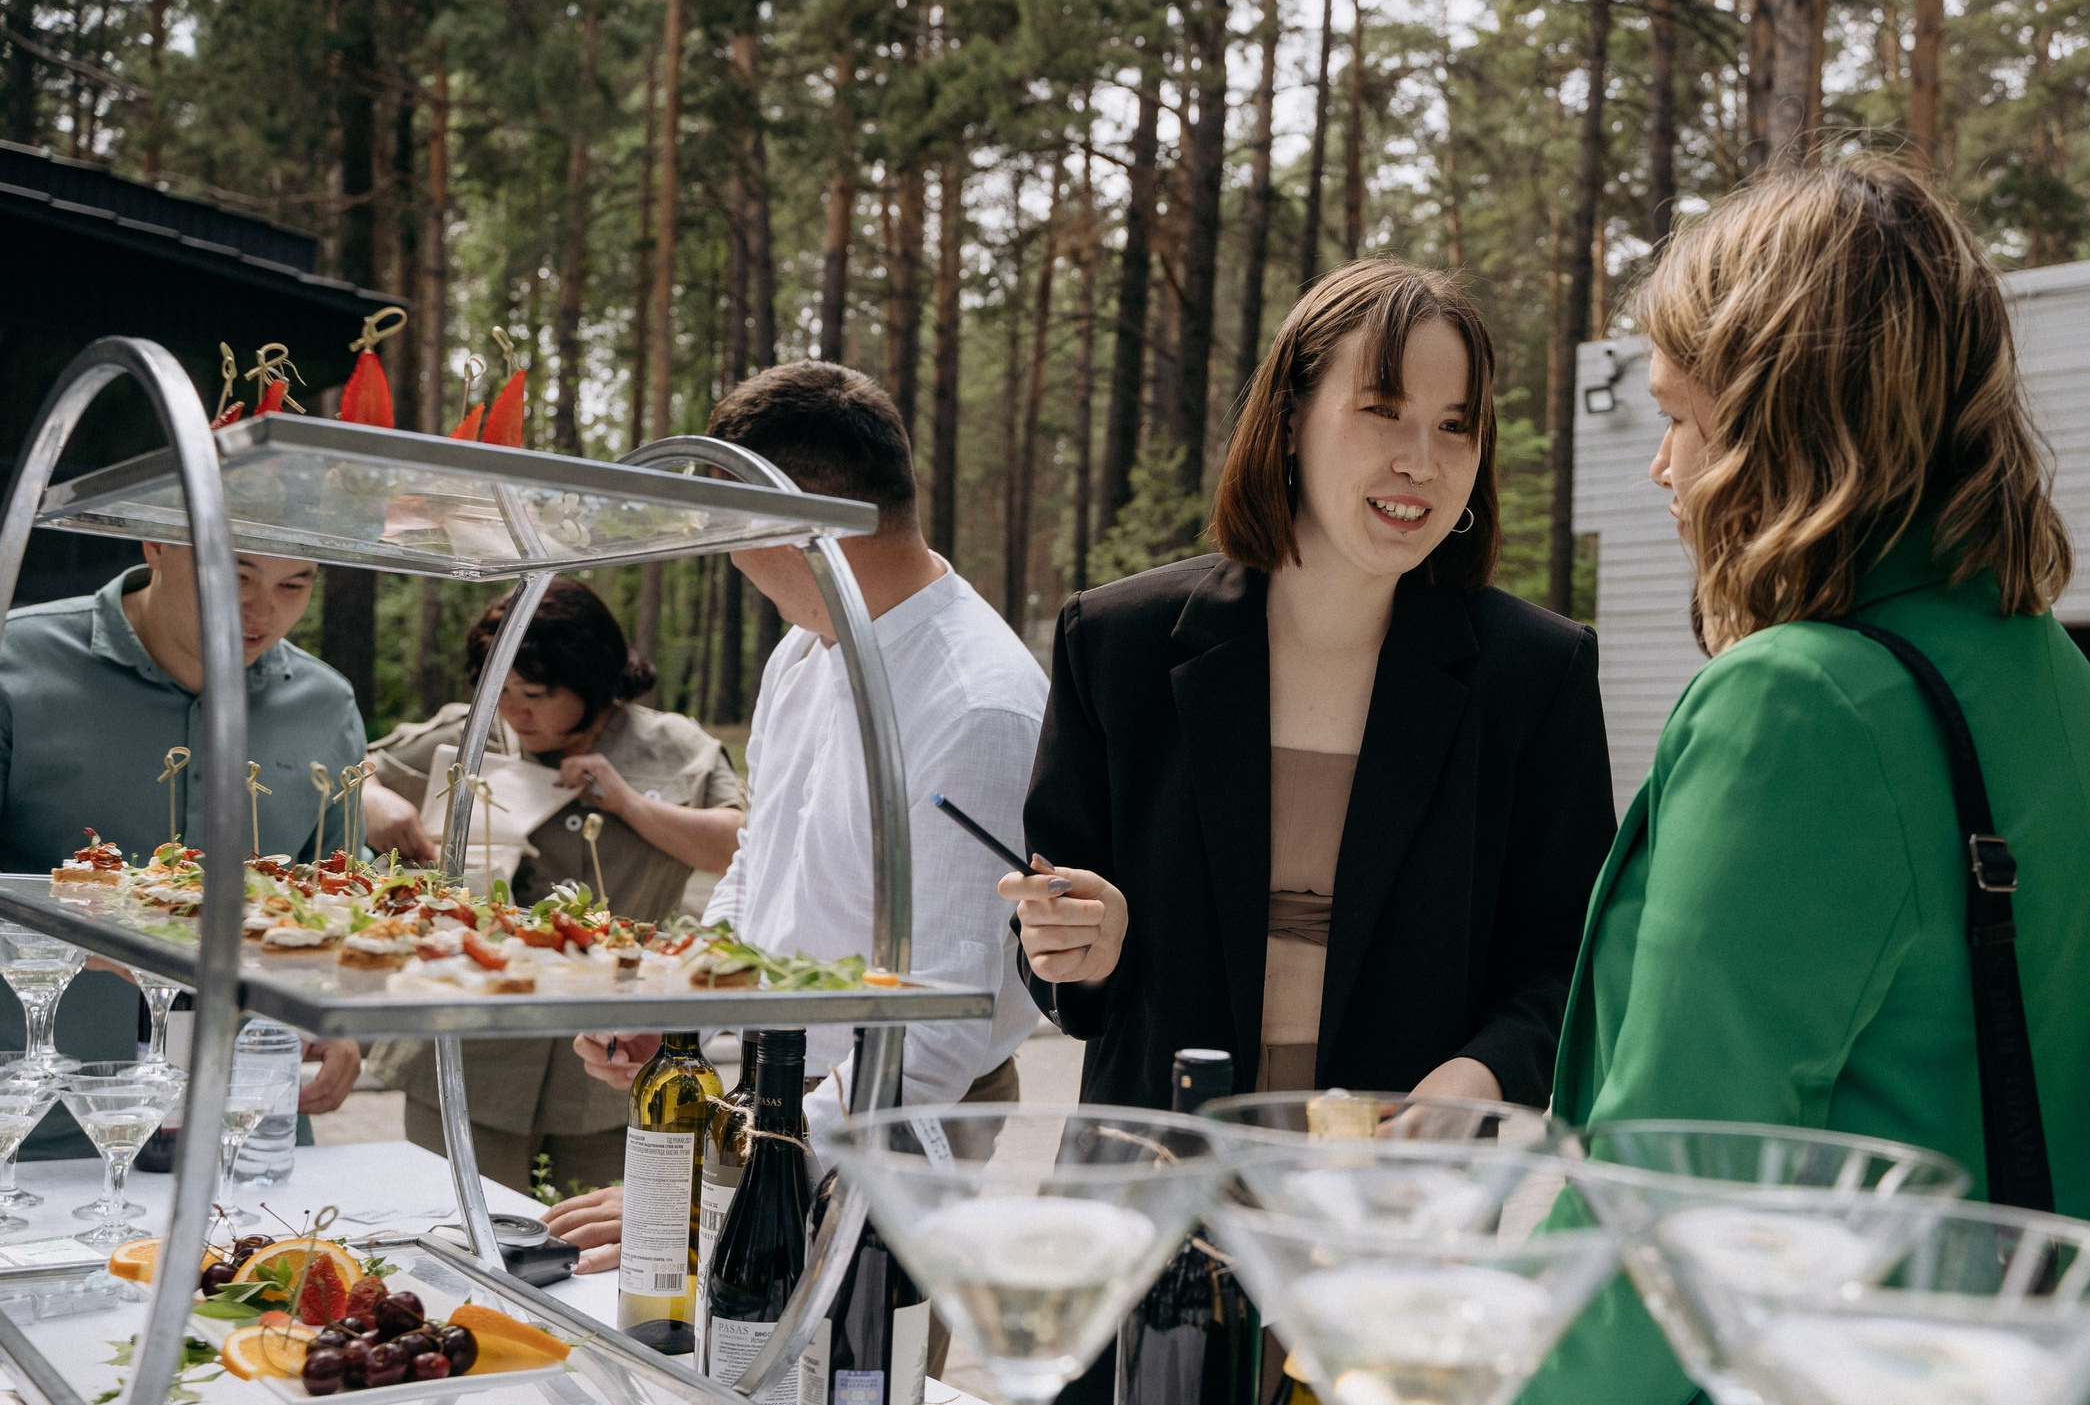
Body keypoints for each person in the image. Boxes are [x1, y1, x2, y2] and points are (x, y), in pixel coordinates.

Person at [1448, 161, 2090, 1405]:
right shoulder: (2049, 678)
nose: (1661, 469)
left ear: (1784, 425)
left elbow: (1685, 1168)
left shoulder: (1799, 707)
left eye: (1680, 417)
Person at [1004, 260, 1616, 1112]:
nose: (1421, 462)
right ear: (1290, 418)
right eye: (1383, 410)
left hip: (1393, 1182)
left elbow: (1572, 964)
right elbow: (1051, 941)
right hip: (1154, 1173)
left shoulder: (1537, 675)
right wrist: (1083, 948)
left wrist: (1479, 1076)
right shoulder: (1116, 645)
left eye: (1455, 426)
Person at [544, 360, 1049, 1268]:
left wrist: (725, 1179)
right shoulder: (803, 654)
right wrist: (681, 1010)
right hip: (776, 1087)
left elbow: (932, 1040)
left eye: (735, 529)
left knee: (843, 1362)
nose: (732, 558)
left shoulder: (977, 705)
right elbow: (760, 866)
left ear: (804, 525)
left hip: (891, 1126)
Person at [364, 577, 746, 1193]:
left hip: (615, 1059)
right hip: (471, 1055)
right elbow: (352, 769)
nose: (516, 711)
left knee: (601, 1237)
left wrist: (627, 803)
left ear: (593, 681)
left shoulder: (674, 746)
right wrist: (375, 801)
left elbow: (740, 844)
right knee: (453, 1227)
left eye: (536, 694)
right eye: (501, 690)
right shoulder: (471, 732)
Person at [0, 542, 366, 1160]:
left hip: (245, 1133)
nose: (261, 611)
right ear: (158, 545)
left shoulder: (325, 705)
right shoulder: (15, 661)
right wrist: (88, 937)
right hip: (34, 1131)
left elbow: (339, 907)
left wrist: (335, 1017)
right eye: (235, 577)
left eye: (293, 586)